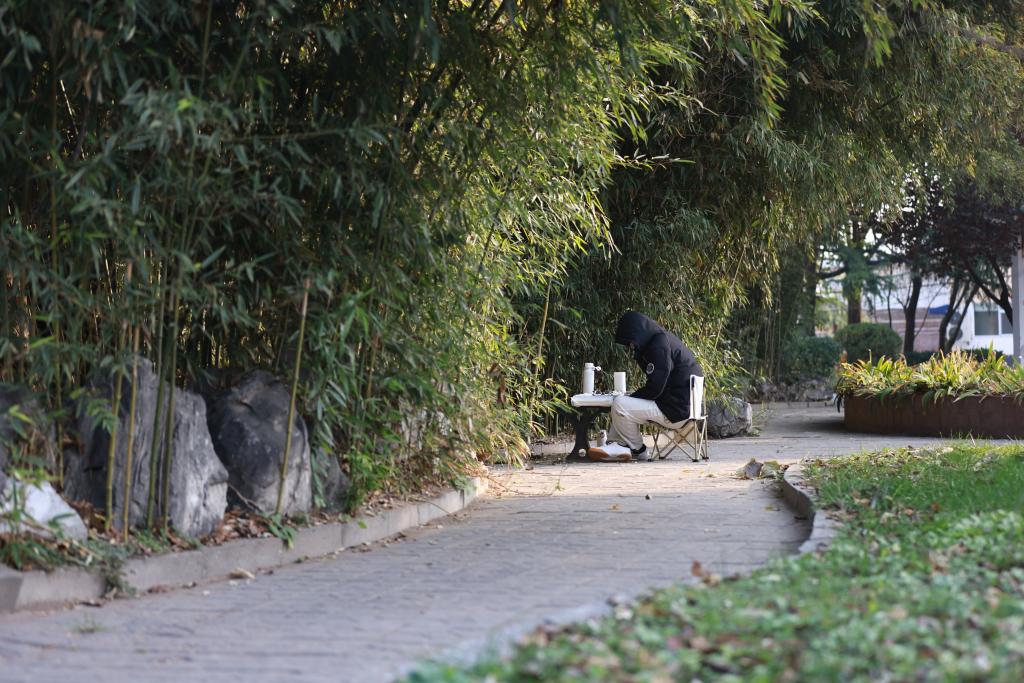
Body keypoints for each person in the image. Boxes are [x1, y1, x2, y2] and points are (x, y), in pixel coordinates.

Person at [588, 311, 704, 462]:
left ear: (636, 332)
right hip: (683, 408)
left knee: (620, 403)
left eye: (630, 342)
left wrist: (632, 396)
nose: (631, 346)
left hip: (674, 412)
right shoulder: (663, 339)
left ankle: (637, 449)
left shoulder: (658, 346)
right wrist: (633, 397)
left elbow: (656, 387)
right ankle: (616, 445)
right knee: (623, 403)